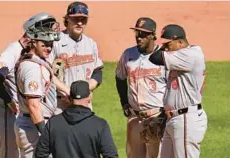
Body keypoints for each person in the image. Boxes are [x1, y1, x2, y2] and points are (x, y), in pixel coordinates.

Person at [14, 12, 69, 158]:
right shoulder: (31, 68)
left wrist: (68, 91)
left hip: (35, 123)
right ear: (33, 42)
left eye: (51, 45)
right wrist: (45, 134)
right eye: (44, 44)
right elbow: (33, 105)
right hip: (33, 126)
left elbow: (50, 77)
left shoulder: (38, 60)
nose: (49, 48)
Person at [149, 24, 208, 158]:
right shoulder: (181, 55)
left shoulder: (189, 55)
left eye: (168, 45)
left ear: (180, 42)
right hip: (174, 118)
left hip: (186, 119)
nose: (166, 48)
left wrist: (160, 48)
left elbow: (155, 57)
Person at [115, 17, 167, 158]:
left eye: (143, 34)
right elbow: (120, 77)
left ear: (152, 35)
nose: (139, 38)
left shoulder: (164, 57)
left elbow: (172, 87)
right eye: (137, 33)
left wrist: (165, 115)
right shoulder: (128, 54)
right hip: (134, 118)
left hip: (156, 117)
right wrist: (124, 102)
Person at [0, 14, 33, 158]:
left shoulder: (29, 53)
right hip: (8, 114)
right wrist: (8, 100)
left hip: (22, 115)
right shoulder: (13, 51)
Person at [35, 80, 118, 158]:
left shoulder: (53, 123)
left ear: (69, 98)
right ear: (90, 97)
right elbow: (111, 155)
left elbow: (40, 154)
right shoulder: (100, 125)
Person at [48, 1, 104, 110]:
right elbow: (47, 73)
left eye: (83, 20)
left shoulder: (91, 44)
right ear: (67, 19)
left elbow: (97, 73)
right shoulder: (55, 42)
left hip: (84, 104)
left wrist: (85, 90)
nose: (79, 23)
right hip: (60, 105)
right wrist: (68, 91)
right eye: (75, 19)